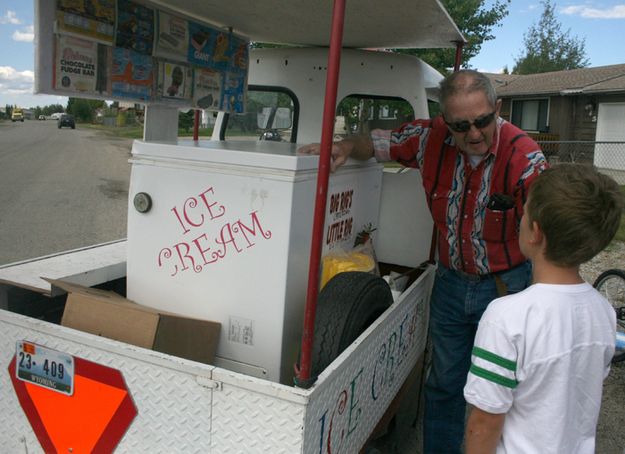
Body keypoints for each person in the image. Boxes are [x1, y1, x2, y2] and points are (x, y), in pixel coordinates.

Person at [298, 69, 548, 453]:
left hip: (506, 288)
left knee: (503, 390)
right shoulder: (428, 137)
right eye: (460, 126)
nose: (474, 134)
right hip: (450, 284)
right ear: (445, 122)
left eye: (482, 121)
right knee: (445, 383)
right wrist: (346, 146)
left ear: (497, 109)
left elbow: (549, 229)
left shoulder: (525, 156)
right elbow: (377, 144)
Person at [464, 163, 624, 453]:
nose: (521, 218)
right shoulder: (604, 312)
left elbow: (485, 421)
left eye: (524, 212)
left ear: (535, 232)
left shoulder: (505, 318)